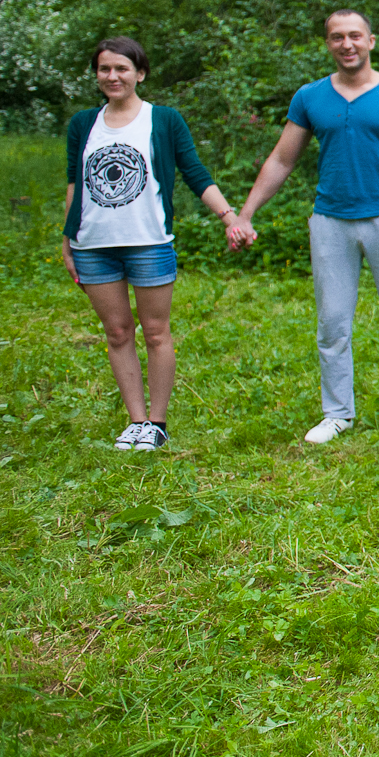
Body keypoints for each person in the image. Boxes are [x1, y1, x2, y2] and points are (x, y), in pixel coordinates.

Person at [230, 9, 379, 443]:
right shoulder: (310, 97)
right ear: (328, 44)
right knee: (332, 321)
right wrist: (245, 212)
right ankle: (337, 413)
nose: (346, 44)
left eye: (355, 36)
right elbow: (281, 159)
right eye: (336, 37)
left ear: (370, 41)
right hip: (330, 221)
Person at [62, 37, 249, 451]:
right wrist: (67, 239)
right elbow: (75, 186)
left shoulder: (162, 120)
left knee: (156, 332)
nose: (113, 76)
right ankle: (136, 421)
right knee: (116, 332)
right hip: (93, 246)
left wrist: (230, 217)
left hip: (149, 242)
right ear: (97, 74)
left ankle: (157, 423)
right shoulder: (82, 124)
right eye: (104, 69)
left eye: (122, 69)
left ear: (140, 74)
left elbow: (195, 173)